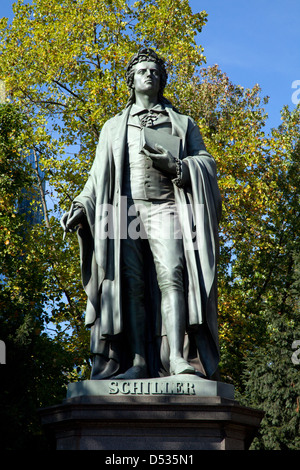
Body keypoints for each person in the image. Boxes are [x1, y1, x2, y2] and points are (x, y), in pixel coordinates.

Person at [61, 48, 222, 380]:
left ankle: (176, 358)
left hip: (165, 207)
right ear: (131, 80)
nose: (149, 74)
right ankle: (137, 362)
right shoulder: (113, 127)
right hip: (123, 211)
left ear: (161, 80)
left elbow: (206, 163)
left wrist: (178, 166)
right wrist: (80, 207)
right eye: (142, 71)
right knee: (129, 285)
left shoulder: (181, 123)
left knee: (173, 276)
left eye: (155, 71)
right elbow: (97, 177)